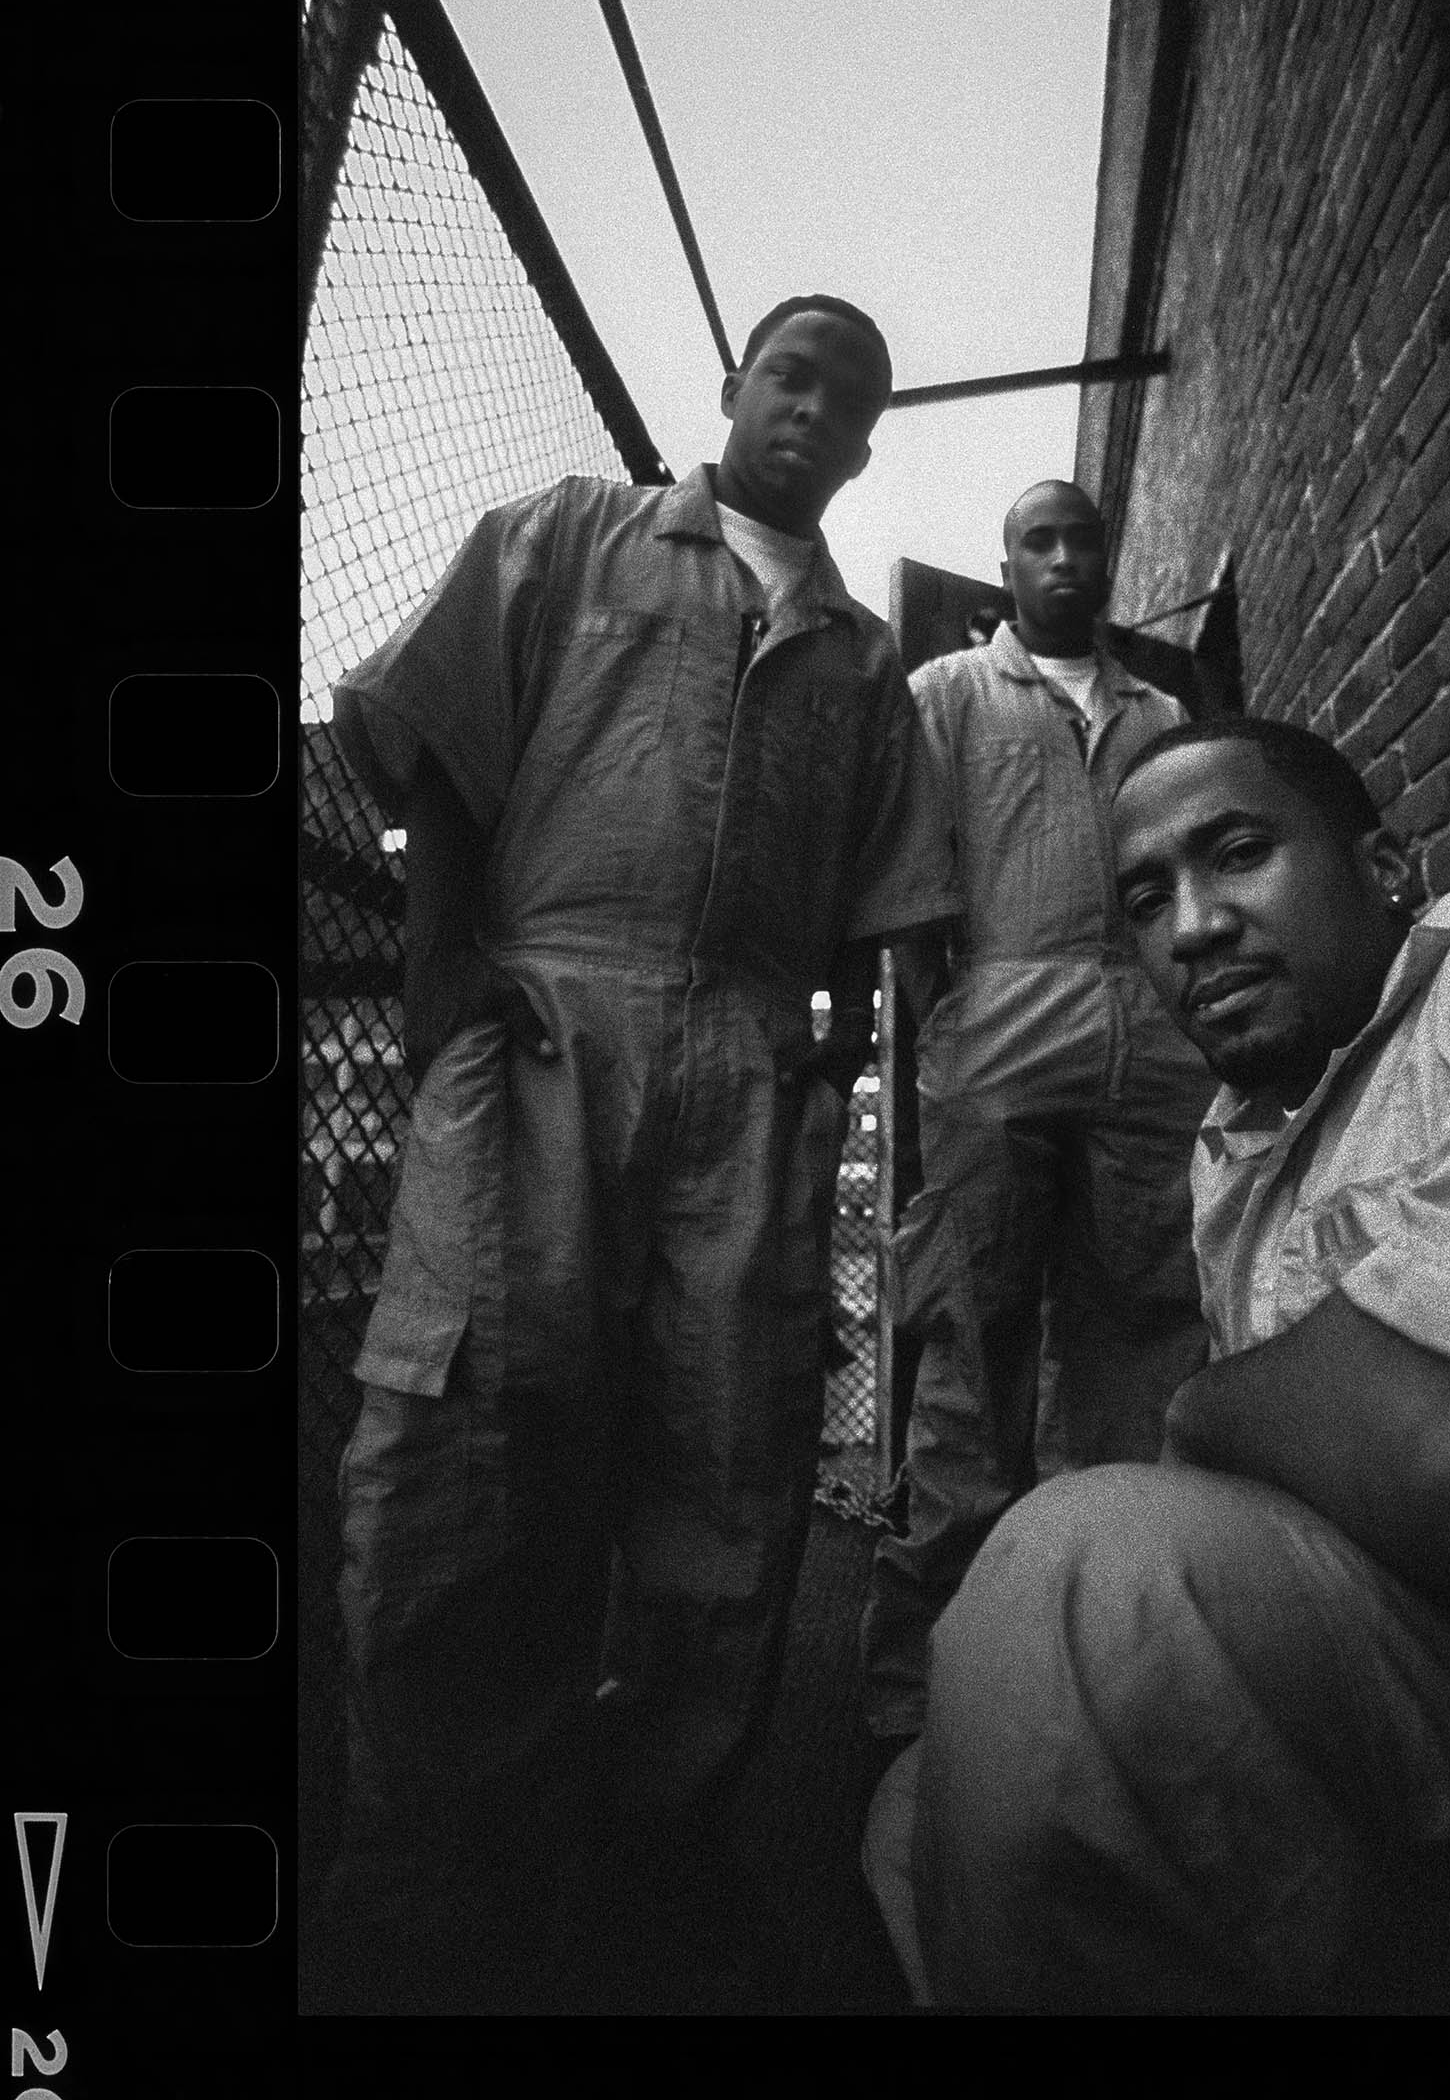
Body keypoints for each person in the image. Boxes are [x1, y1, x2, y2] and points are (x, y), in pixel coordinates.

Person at [910, 719, 1450, 2013]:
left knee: (1080, 1589)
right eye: (1146, 901)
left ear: (1384, 869)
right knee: (923, 1789)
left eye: (1237, 853)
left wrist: (1203, 1410)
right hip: (1436, 1694)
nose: (1190, 928)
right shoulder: (1237, 1138)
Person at [316, 297, 960, 1996]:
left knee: (726, 1440)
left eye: (851, 399)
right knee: (471, 1415)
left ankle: (659, 1822)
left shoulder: (860, 655)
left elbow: (874, 899)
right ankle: (437, 1848)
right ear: (737, 389)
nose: (813, 411)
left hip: (748, 1071)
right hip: (540, 1022)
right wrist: (443, 965)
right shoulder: (572, 535)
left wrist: (821, 1043)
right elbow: (443, 748)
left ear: (870, 443)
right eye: (791, 375)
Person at [857, 483, 1218, 1757]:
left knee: (1148, 1332)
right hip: (1000, 1027)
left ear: (1109, 561)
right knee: (971, 1339)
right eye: (1039, 541)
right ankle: (918, 1697)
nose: (1065, 560)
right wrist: (942, 1028)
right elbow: (906, 879)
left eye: (1084, 541)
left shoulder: (1163, 715)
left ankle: (1115, 1674)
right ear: (1003, 565)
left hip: (1154, 1045)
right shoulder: (947, 695)